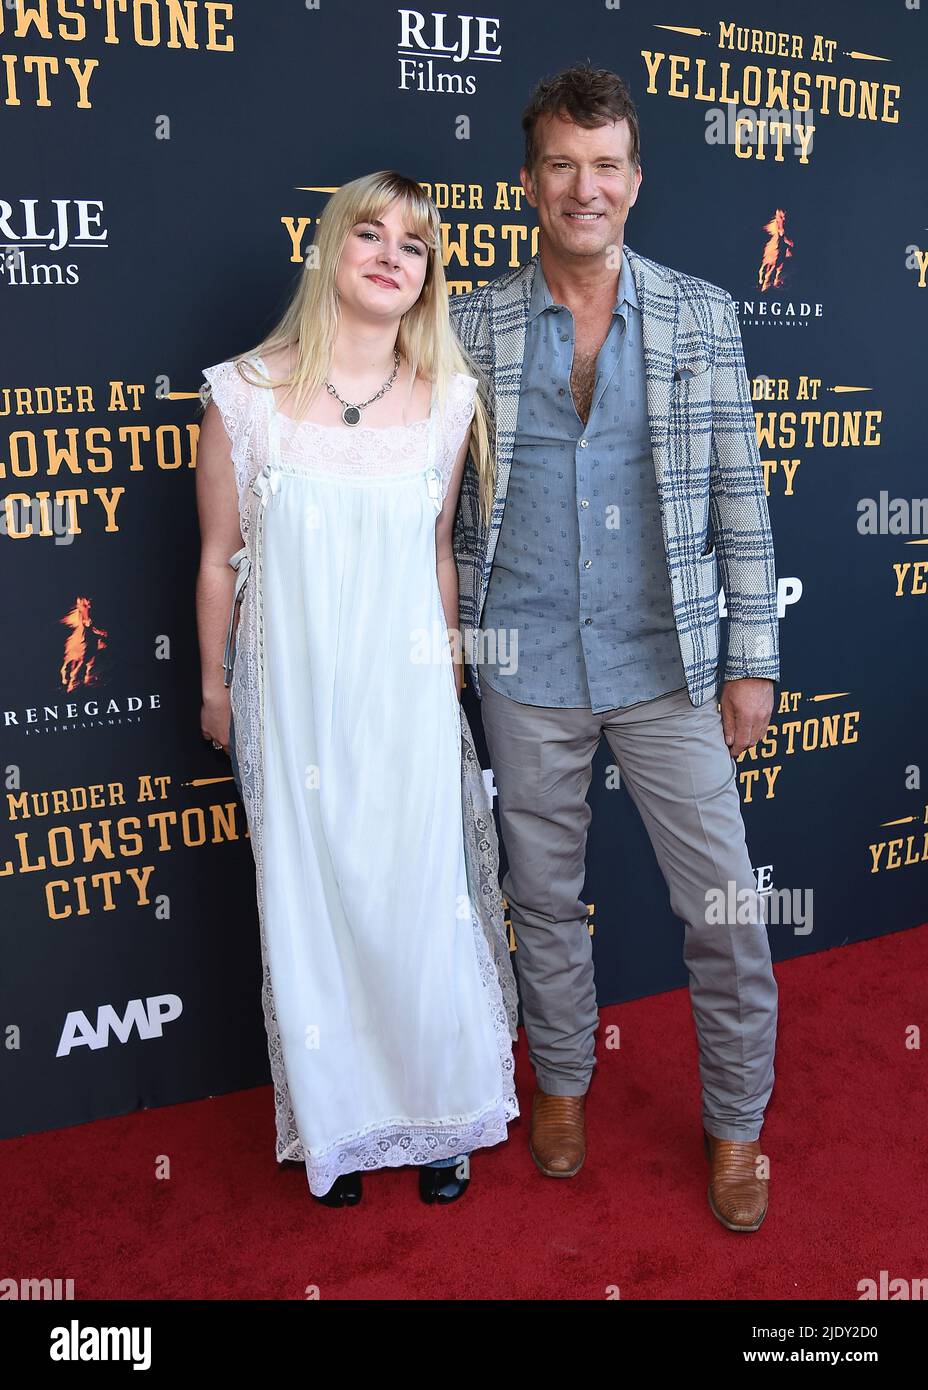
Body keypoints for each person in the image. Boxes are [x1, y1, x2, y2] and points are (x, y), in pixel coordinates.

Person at [449, 65, 780, 1232]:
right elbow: (431, 499)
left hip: (671, 663)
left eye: (604, 165)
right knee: (540, 899)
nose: (581, 187)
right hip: (523, 661)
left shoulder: (700, 314)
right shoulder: (467, 320)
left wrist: (755, 655)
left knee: (726, 909)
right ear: (528, 180)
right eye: (559, 165)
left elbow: (740, 493)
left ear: (634, 180)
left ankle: (737, 1125)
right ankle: (563, 1087)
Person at [195, 171, 519, 1207]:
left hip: (406, 702)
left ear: (428, 276)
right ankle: (338, 1125)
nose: (391, 255)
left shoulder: (449, 401)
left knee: (422, 904)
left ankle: (439, 1115)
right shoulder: (241, 393)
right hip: (290, 701)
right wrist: (214, 686)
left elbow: (436, 556)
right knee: (310, 908)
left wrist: (450, 680)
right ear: (329, 249)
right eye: (369, 233)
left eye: (414, 245)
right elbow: (218, 558)